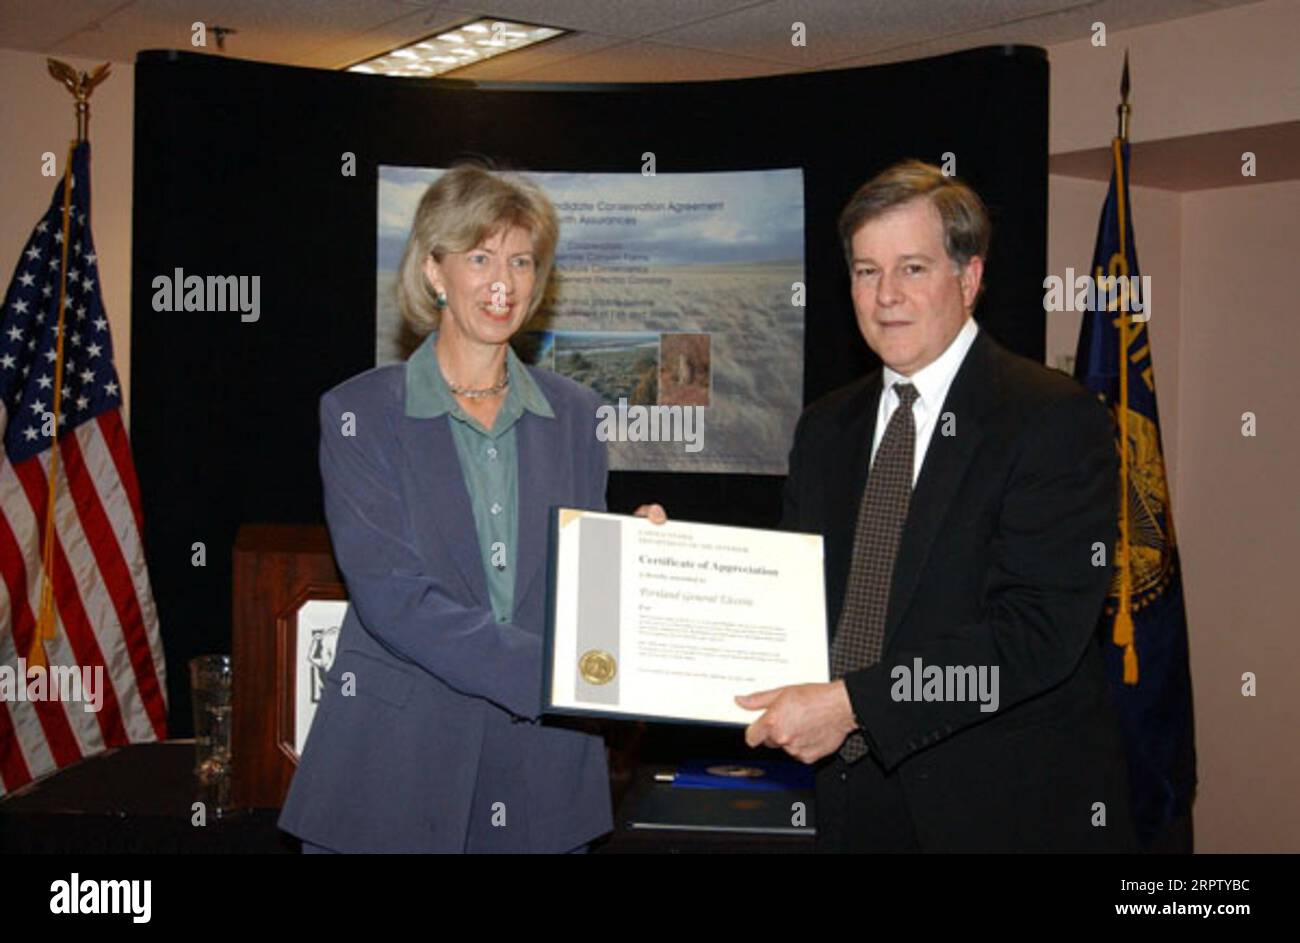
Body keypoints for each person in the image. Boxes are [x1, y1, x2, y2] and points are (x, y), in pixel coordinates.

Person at [735, 160, 1137, 852]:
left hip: (1001, 815)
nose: (885, 294)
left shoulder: (1052, 419)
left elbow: (1033, 633)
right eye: (866, 271)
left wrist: (856, 706)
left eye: (912, 268)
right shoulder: (827, 427)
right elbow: (791, 593)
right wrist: (668, 565)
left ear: (969, 278)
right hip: (851, 806)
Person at [279, 164, 612, 853]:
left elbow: (586, 590)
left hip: (538, 781)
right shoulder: (360, 413)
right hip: (393, 776)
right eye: (481, 256)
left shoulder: (577, 415)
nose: (505, 280)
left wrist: (638, 562)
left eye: (522, 260)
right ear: (434, 271)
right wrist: (556, 673)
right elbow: (395, 598)